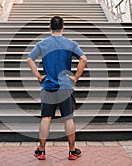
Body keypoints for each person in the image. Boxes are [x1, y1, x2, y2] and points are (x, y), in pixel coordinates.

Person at [27, 16, 87, 160]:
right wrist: (76, 78)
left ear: (49, 27)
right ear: (63, 27)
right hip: (66, 86)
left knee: (46, 118)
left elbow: (30, 59)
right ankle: (72, 151)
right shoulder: (71, 43)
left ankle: (41, 151)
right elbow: (84, 59)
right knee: (68, 118)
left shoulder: (42, 44)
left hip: (48, 85)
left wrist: (39, 76)